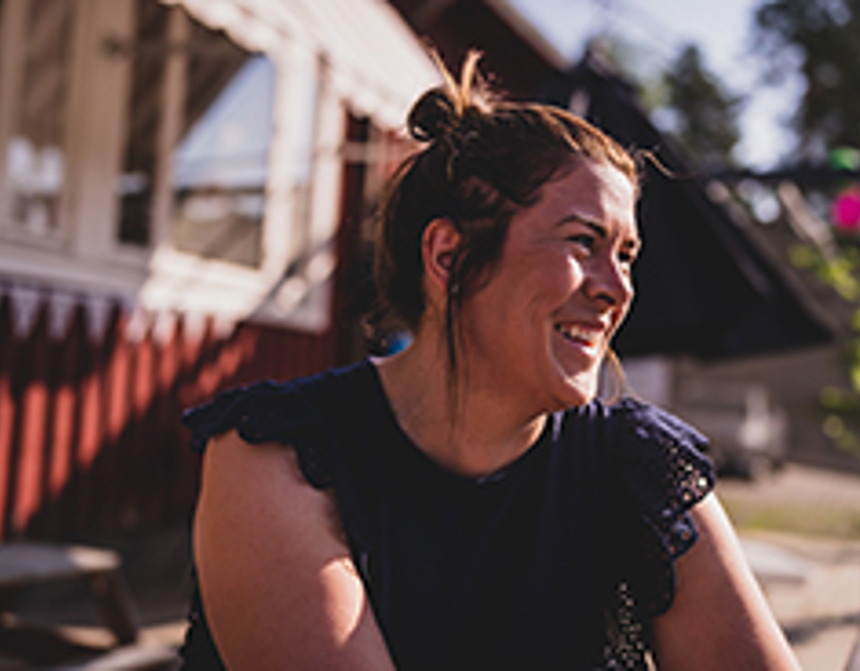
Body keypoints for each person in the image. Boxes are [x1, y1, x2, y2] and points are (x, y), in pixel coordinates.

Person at [179, 53, 801, 670]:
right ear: (449, 258)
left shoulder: (640, 468)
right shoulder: (277, 458)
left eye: (626, 256)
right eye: (583, 241)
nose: (618, 289)